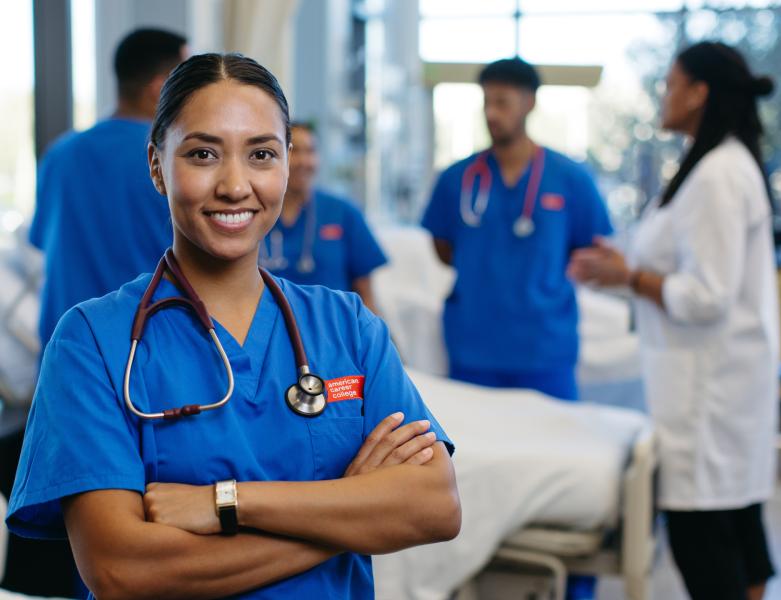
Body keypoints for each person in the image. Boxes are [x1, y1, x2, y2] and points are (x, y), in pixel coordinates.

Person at [7, 53, 460, 600]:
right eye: (202, 154)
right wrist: (347, 512)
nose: (235, 185)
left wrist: (227, 501)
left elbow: (435, 506)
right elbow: (121, 569)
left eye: (262, 154)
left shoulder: (349, 328)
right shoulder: (90, 344)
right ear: (156, 165)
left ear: (288, 164)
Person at [568, 42, 778, 600]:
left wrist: (628, 278)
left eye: (669, 84)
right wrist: (624, 265)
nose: (662, 95)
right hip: (713, 384)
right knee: (736, 529)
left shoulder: (717, 175)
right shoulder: (712, 164)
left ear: (698, 92)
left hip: (707, 392)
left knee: (705, 539)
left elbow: (706, 296)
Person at [421, 57, 612, 401]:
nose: (491, 113)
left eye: (502, 103)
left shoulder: (571, 178)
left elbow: (591, 250)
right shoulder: (456, 178)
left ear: (530, 103)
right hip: (473, 347)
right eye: (486, 102)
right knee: (474, 450)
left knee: (556, 448)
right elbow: (443, 248)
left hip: (545, 349)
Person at [30, 28, 188, 353]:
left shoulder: (60, 153)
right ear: (160, 88)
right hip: (146, 346)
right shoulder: (174, 158)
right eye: (186, 85)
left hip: (66, 345)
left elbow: (41, 244)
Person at [258, 123, 386, 313]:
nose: (304, 161)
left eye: (311, 151)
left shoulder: (343, 212)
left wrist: (366, 339)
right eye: (296, 151)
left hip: (334, 333)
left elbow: (365, 294)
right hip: (267, 331)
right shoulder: (254, 212)